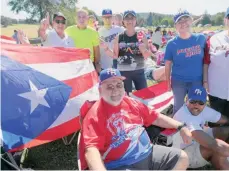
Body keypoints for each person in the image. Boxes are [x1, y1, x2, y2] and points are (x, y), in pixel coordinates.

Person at [79, 68, 192, 170]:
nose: (115, 90)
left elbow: (155, 118)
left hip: (148, 154)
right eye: (109, 86)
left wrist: (180, 126)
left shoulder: (131, 102)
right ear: (100, 90)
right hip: (120, 164)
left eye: (119, 85)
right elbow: (91, 150)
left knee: (181, 158)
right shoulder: (95, 115)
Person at [172, 86, 229, 169]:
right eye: (193, 101)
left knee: (224, 131)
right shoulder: (184, 116)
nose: (196, 105)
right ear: (186, 99)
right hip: (183, 153)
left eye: (200, 102)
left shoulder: (203, 109)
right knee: (216, 149)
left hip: (196, 141)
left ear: (205, 103)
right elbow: (214, 144)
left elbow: (225, 120)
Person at [164, 10, 206, 114]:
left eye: (186, 19)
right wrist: (168, 82)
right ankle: (179, 128)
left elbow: (207, 61)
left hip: (197, 80)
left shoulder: (201, 39)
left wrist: (206, 81)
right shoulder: (171, 44)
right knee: (178, 107)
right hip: (178, 81)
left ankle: (196, 127)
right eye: (179, 21)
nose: (183, 23)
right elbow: (168, 64)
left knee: (197, 106)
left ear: (191, 21)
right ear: (175, 26)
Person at [100, 10, 152, 94]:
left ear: (136, 21)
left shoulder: (141, 35)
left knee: (144, 95)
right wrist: (106, 48)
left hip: (139, 72)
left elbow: (147, 56)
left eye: (132, 18)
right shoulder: (119, 37)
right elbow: (115, 56)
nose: (129, 21)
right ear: (123, 21)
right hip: (124, 73)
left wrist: (144, 50)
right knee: (127, 98)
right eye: (127, 18)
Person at [203, 7, 229, 119]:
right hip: (216, 92)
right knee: (216, 128)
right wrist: (205, 81)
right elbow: (205, 63)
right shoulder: (213, 39)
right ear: (225, 20)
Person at [65, 9, 101, 73]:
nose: (81, 19)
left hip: (89, 64)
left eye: (84, 17)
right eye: (79, 17)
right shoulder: (68, 30)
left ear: (87, 19)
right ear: (75, 19)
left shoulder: (93, 32)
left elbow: (96, 51)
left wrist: (97, 64)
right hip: (73, 64)